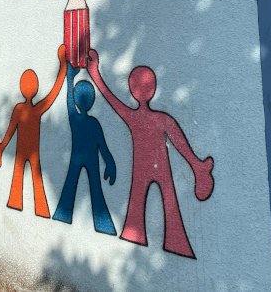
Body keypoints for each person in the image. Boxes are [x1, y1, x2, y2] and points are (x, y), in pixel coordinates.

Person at [87, 49, 215, 258]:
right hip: (159, 166)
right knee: (168, 200)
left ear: (132, 90)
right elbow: (180, 143)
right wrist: (195, 163)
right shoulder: (163, 119)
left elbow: (111, 99)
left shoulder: (133, 117)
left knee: (141, 201)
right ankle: (175, 242)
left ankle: (137, 234)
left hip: (143, 167)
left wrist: (95, 74)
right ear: (153, 89)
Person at [0, 44, 67, 218]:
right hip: (31, 152)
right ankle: (40, 208)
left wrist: (2, 146)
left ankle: (18, 202)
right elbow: (54, 92)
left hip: (24, 151)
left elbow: (10, 131)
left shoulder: (20, 109)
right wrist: (63, 66)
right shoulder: (35, 109)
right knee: (34, 178)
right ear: (34, 88)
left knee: (22, 177)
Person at [52, 63, 117, 235]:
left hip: (76, 158)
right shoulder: (94, 123)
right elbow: (103, 148)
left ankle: (63, 214)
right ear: (92, 101)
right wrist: (110, 163)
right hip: (91, 159)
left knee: (70, 185)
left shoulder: (75, 119)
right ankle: (104, 224)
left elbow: (69, 103)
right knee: (96, 189)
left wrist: (70, 78)